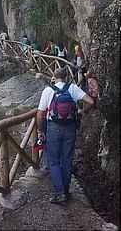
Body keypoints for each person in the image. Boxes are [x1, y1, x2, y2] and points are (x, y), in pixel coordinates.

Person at [36, 67, 94, 203]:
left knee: (54, 161)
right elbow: (91, 101)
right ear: (66, 77)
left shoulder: (48, 90)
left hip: (53, 127)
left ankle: (59, 192)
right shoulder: (72, 88)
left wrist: (40, 131)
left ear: (54, 77)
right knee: (67, 158)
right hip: (70, 127)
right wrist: (81, 112)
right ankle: (66, 190)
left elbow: (40, 113)